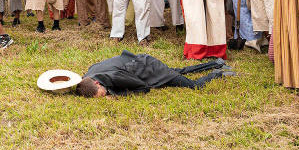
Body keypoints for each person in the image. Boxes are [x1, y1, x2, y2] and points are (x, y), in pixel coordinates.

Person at [76, 50, 234, 97]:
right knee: (177, 72)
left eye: (103, 94)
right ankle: (216, 62)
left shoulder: (115, 77)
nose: (105, 95)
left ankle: (218, 72)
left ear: (97, 83)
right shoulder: (86, 78)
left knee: (193, 85)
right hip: (138, 61)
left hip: (149, 69)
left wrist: (116, 95)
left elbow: (144, 88)